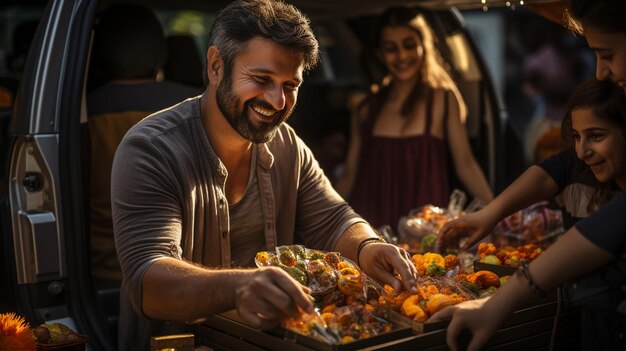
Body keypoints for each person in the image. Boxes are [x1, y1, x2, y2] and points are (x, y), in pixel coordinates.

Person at [110, 1, 417, 350]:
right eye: (261, 79)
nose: (278, 101)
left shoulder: (287, 144)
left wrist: (367, 246)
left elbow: (334, 218)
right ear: (215, 66)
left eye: (291, 85)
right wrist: (240, 286)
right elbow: (148, 281)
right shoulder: (151, 149)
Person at [433, 1, 626, 349]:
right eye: (578, 138)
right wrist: (490, 214)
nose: (601, 71)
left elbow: (611, 224)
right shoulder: (576, 162)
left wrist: (501, 303)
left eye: (608, 54)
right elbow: (556, 169)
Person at [335, 7, 493, 230]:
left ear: (424, 46)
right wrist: (324, 219)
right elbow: (350, 174)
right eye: (391, 48)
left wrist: (497, 212)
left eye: (409, 45)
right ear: (380, 53)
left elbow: (466, 164)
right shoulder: (365, 108)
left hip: (425, 232)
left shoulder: (444, 99)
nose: (401, 56)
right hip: (373, 229)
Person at [87, 3, 200, 287]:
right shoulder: (202, 109)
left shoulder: (78, 114)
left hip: (103, 271)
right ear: (161, 52)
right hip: (188, 272)